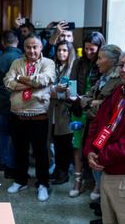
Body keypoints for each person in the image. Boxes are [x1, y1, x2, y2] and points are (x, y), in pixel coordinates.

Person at [84, 49, 125, 224]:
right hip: (109, 170)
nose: (123, 69)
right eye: (121, 65)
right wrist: (91, 149)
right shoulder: (119, 91)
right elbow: (99, 123)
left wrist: (101, 156)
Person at [4, 34, 56, 201]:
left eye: (35, 47)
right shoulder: (16, 63)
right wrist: (33, 83)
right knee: (20, 151)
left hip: (38, 116)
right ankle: (21, 180)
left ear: (41, 47)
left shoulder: (48, 63)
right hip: (17, 116)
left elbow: (45, 79)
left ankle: (42, 184)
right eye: (28, 47)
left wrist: (20, 78)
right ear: (23, 48)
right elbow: (7, 82)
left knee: (41, 152)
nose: (32, 50)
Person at [68, 31, 104, 197]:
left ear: (99, 48)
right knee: (77, 146)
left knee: (95, 147)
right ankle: (78, 182)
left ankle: (97, 185)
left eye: (93, 49)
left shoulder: (104, 63)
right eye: (87, 48)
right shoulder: (78, 62)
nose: (89, 52)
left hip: (96, 111)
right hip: (79, 109)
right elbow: (73, 83)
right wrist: (74, 98)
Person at [0, 30, 22, 178]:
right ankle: (14, 163)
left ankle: (4, 162)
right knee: (16, 135)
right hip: (18, 102)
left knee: (2, 134)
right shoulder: (21, 58)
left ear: (3, 43)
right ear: (17, 42)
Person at [48, 40, 76, 185]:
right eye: (59, 50)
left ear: (69, 52)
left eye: (64, 50)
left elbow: (72, 93)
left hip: (65, 113)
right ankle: (57, 170)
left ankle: (63, 172)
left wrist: (55, 92)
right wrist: (54, 91)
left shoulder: (72, 68)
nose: (61, 53)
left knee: (64, 144)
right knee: (56, 143)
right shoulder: (54, 67)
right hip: (53, 112)